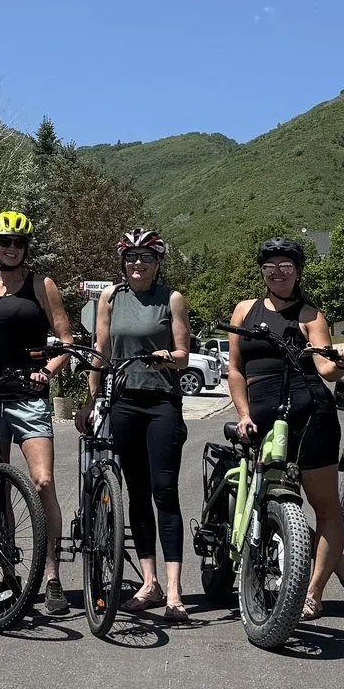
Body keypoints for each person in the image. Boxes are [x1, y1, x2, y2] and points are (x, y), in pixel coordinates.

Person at [227, 236, 344, 618]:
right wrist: (243, 414)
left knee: (324, 506)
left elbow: (326, 369)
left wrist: (341, 361)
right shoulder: (244, 311)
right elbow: (235, 369)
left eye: (286, 267)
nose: (278, 273)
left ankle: (312, 591)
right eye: (270, 267)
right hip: (262, 415)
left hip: (310, 411)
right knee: (272, 501)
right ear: (262, 272)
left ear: (297, 272)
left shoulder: (310, 315)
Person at [0, 209, 78, 617]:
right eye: (3, 242)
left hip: (27, 398)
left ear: (26, 246)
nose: (11, 248)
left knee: (43, 482)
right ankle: (11, 572)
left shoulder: (42, 286)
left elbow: (65, 343)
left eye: (18, 242)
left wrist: (45, 372)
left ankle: (51, 577)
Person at [98, 228, 194, 620]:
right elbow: (102, 353)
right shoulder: (110, 298)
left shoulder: (171, 299)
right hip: (124, 402)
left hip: (162, 403)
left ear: (158, 263)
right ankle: (149, 583)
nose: (137, 264)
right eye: (131, 257)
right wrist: (92, 399)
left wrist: (166, 357)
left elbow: (185, 356)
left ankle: (174, 590)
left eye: (146, 257)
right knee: (136, 492)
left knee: (164, 491)